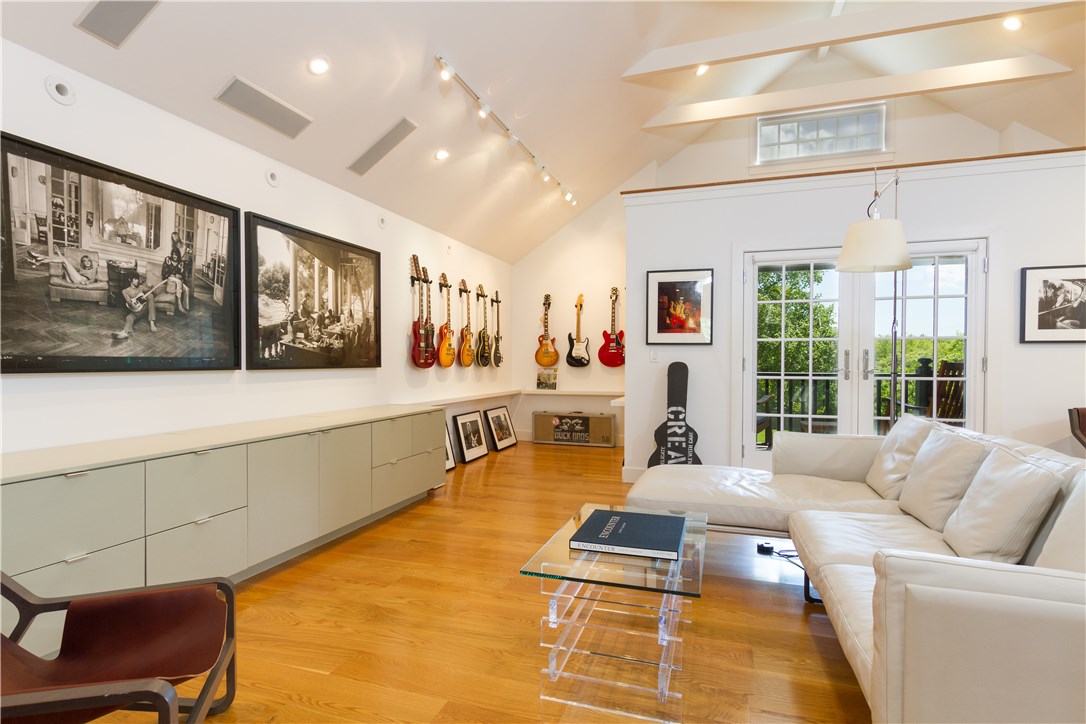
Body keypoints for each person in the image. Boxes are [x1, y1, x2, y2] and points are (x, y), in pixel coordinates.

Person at [113, 271, 157, 338]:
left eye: (137, 279)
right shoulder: (125, 291)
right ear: (130, 280)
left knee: (150, 296)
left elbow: (153, 292)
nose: (137, 281)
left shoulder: (141, 287)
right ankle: (125, 332)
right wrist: (132, 305)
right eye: (135, 279)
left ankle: (152, 322)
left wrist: (152, 287)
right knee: (129, 318)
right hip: (135, 311)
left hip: (144, 308)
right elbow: (128, 301)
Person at [27, 251, 98, 285]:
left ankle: (40, 259)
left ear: (91, 262)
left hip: (80, 280)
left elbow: (94, 279)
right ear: (83, 263)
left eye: (89, 261)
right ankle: (40, 259)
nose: (88, 262)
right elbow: (66, 263)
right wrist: (58, 252)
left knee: (64, 260)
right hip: (72, 280)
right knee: (64, 261)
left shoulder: (94, 269)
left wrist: (87, 282)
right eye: (85, 261)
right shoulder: (80, 269)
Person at [161, 247, 190, 313]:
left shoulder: (181, 263)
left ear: (178, 255)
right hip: (169, 278)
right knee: (178, 282)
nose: (174, 256)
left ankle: (186, 307)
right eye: (173, 254)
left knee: (187, 289)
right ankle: (180, 305)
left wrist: (180, 275)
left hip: (177, 279)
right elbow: (163, 273)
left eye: (176, 255)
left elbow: (182, 275)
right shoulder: (168, 260)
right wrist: (171, 274)